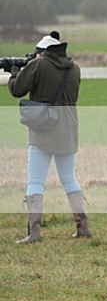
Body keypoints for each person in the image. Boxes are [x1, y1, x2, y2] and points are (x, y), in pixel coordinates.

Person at [7, 31, 92, 243]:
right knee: (69, 179)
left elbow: (17, 89)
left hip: (42, 131)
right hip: (69, 130)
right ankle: (83, 227)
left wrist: (16, 71)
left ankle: (34, 232)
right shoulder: (75, 68)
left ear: (42, 52)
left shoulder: (39, 65)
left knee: (35, 181)